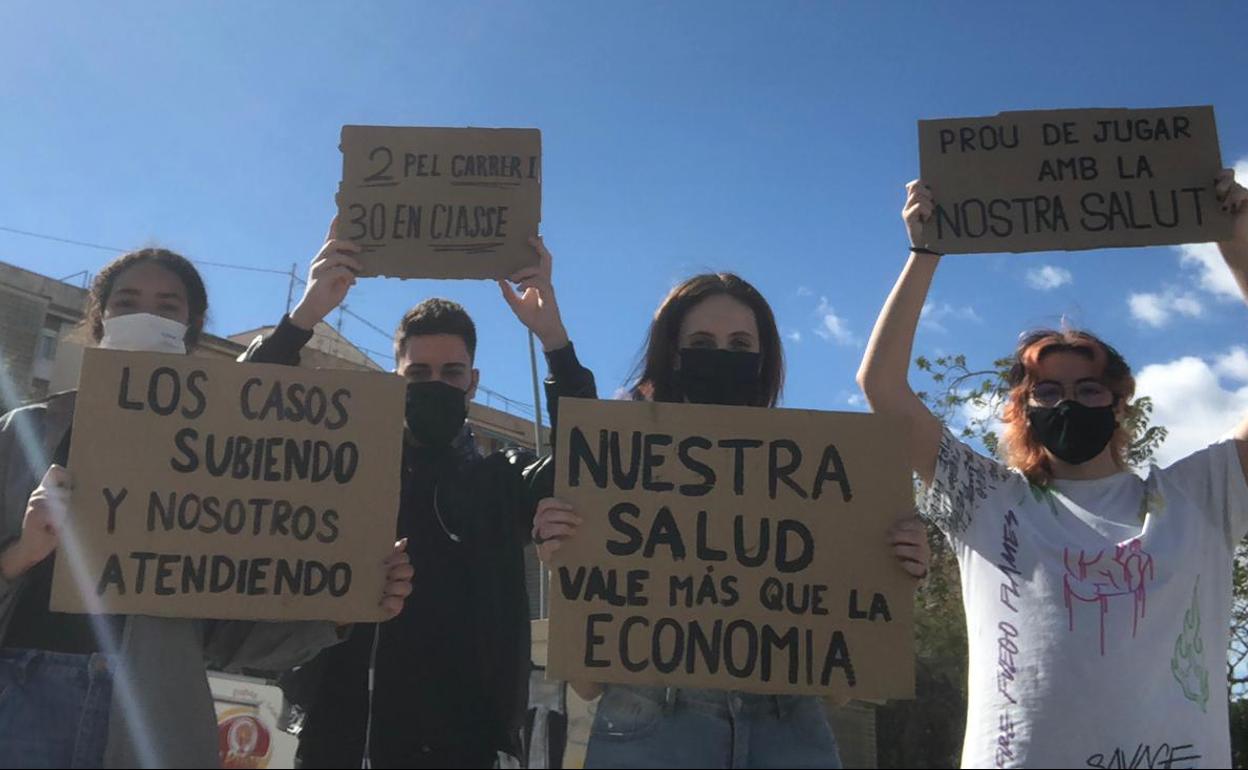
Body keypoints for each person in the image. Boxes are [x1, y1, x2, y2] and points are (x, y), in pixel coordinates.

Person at [856, 169, 1248, 767]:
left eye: (1089, 389)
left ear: (1120, 404)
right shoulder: (985, 499)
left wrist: (1236, 240)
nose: (1068, 403)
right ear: (1021, 410)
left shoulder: (1200, 495)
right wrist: (924, 252)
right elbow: (881, 384)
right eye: (1047, 392)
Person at [0, 247, 413, 769]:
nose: (146, 316)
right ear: (99, 317)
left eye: (167, 306)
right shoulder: (25, 432)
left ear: (191, 326)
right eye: (127, 301)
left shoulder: (209, 452)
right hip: (19, 703)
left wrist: (341, 602)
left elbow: (228, 639)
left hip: (152, 719)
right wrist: (22, 553)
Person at [532, 272, 930, 769]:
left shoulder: (815, 479)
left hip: (790, 728)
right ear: (672, 355)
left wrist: (891, 568)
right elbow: (589, 682)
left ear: (764, 361)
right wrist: (567, 559)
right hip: (652, 726)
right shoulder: (619, 471)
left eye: (740, 343)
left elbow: (838, 692)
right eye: (701, 342)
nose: (721, 354)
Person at [248, 230, 597, 768]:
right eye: (419, 373)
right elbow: (233, 428)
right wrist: (305, 314)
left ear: (473, 382)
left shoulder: (502, 482)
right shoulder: (342, 469)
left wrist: (553, 339)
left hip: (462, 741)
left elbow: (589, 458)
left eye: (451, 373)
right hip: (340, 731)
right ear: (396, 378)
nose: (436, 384)